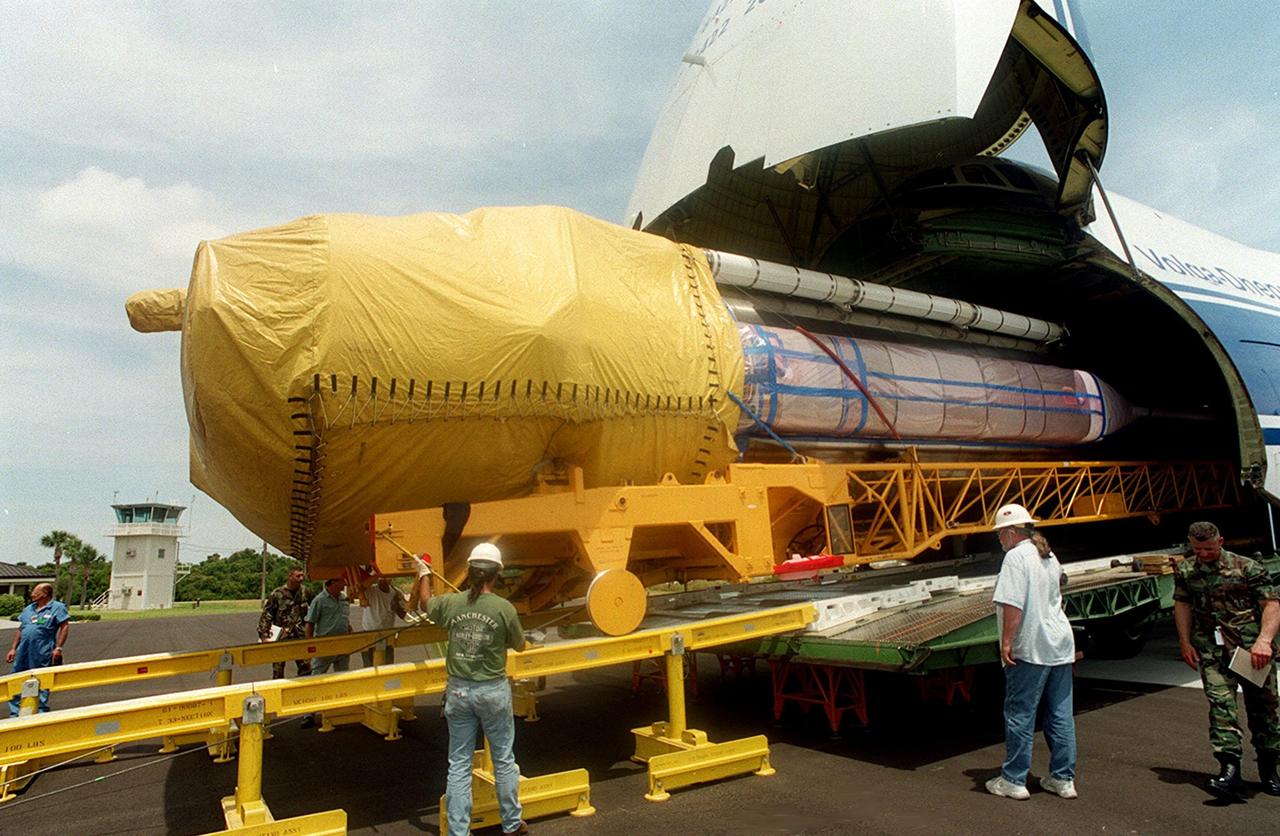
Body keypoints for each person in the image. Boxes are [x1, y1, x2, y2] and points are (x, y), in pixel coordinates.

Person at [423, 543, 528, 836]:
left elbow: (425, 603)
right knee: (504, 759)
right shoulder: (503, 608)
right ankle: (511, 824)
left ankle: (459, 832)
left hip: (458, 693)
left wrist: (424, 574)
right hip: (492, 691)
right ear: (497, 574)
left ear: (469, 572)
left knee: (458, 764)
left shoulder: (451, 604)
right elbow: (519, 644)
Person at [1173, 520, 1280, 800]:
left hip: (1250, 652)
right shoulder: (1186, 570)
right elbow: (1182, 604)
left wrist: (1264, 641)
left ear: (1220, 542)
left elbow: (1271, 605)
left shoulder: (1248, 568)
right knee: (1221, 708)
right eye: (1198, 549)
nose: (1204, 554)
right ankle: (1229, 772)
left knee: (1264, 710)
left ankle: (1270, 770)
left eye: (1208, 548)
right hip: (1211, 651)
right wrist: (1185, 641)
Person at [986, 503, 1078, 801]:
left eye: (1000, 533)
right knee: (1060, 714)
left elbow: (1013, 603)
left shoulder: (1015, 558)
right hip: (1059, 643)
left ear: (1011, 532)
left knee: (1020, 714)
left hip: (1032, 646)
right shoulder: (1047, 554)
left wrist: (1006, 642)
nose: (999, 539)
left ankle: (1013, 779)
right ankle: (1063, 780)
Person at [5, 583, 70, 716]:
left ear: (45, 594)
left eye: (35, 592)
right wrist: (13, 648)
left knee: (40, 679)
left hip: (42, 650)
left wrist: (58, 647)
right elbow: (21, 628)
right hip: (23, 649)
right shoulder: (29, 609)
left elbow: (64, 626)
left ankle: (40, 711)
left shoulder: (57, 608)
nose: (32, 595)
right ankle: (15, 712)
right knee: (17, 678)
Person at [257, 567, 313, 678]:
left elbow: (316, 609)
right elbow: (267, 614)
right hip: (282, 637)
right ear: (290, 576)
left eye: (302, 576)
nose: (301, 579)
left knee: (306, 668)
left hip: (300, 636)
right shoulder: (278, 594)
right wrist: (264, 635)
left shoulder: (306, 592)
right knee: (278, 670)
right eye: (298, 576)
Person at [359, 568, 408, 666]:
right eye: (381, 578)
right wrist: (376, 575)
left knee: (387, 666)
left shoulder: (396, 592)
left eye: (386, 578)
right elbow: (359, 588)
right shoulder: (371, 591)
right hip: (369, 634)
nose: (383, 581)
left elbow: (403, 615)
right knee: (368, 668)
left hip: (387, 635)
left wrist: (396, 603)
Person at [305, 577, 353, 674]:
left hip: (342, 643)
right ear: (333, 582)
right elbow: (310, 623)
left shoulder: (343, 598)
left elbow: (345, 618)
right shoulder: (319, 600)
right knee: (318, 675)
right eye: (342, 580)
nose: (345, 582)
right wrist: (309, 644)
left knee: (342, 676)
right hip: (324, 644)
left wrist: (351, 634)